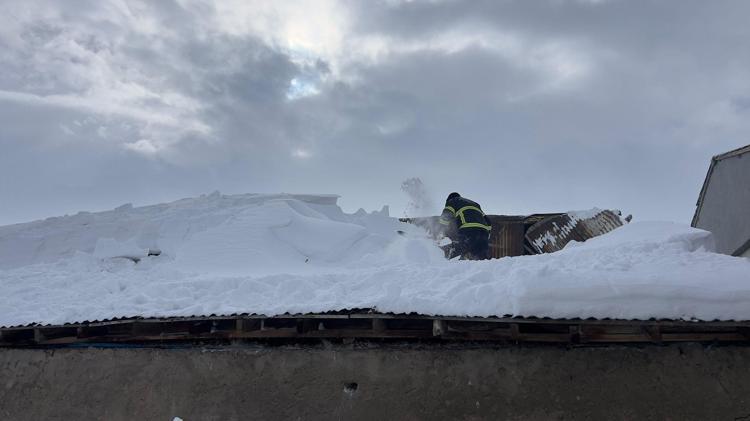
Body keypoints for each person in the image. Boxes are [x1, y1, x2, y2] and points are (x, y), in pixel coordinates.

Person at [438, 192, 492, 260]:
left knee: (462, 248)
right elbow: (488, 222)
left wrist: (440, 231)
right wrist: (487, 235)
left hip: (468, 229)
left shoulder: (452, 201)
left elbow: (446, 215)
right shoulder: (475, 204)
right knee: (482, 259)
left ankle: (438, 254)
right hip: (483, 232)